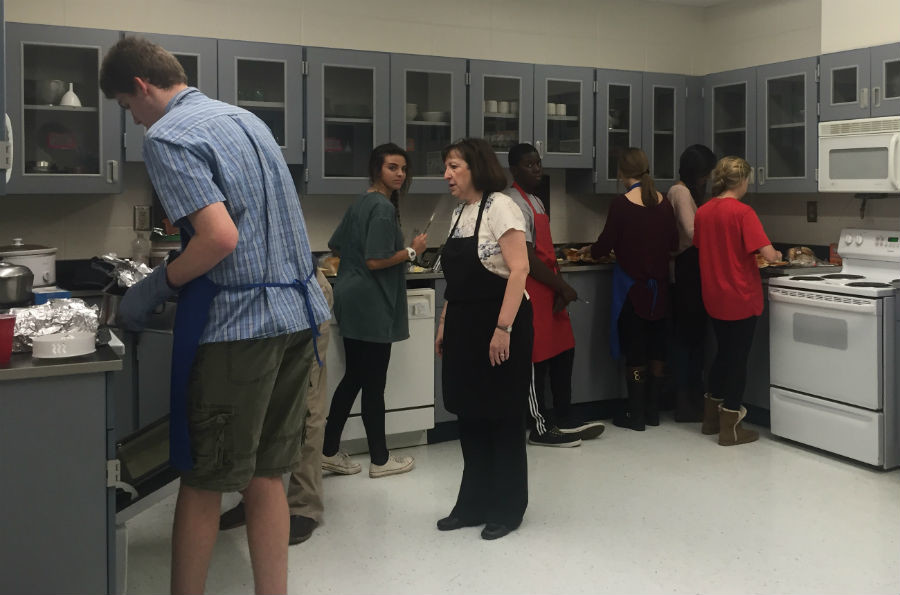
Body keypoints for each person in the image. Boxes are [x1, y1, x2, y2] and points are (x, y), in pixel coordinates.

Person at [100, 37, 330, 595]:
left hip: (242, 327)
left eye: (129, 109)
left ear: (141, 87)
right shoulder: (245, 120)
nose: (135, 121)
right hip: (300, 315)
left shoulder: (170, 134)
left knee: (203, 479)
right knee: (266, 473)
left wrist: (157, 284)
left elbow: (219, 238)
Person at [435, 137, 532, 541]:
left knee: (503, 417)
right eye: (446, 167)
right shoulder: (460, 214)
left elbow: (520, 270)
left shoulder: (501, 206)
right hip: (463, 325)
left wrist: (503, 328)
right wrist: (444, 322)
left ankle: (508, 508)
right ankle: (472, 503)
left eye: (454, 166)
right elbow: (455, 280)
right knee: (470, 416)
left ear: (475, 167)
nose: (447, 175)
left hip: (499, 325)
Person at [321, 143, 427, 478]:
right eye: (392, 168)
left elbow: (337, 244)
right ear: (376, 170)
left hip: (351, 297)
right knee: (373, 383)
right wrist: (411, 250)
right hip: (371, 301)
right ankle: (380, 460)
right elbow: (376, 260)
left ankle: (327, 450)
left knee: (354, 377)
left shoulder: (361, 203)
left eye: (403, 169)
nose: (400, 174)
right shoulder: (381, 208)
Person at [218, 263, 334, 545]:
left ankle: (304, 505)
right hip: (257, 298)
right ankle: (254, 498)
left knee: (306, 403)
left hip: (300, 294)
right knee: (255, 405)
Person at [504, 143, 605, 447]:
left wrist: (559, 287)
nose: (536, 169)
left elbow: (547, 254)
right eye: (528, 164)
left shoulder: (536, 200)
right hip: (532, 289)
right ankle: (540, 425)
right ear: (514, 170)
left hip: (550, 289)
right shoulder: (513, 202)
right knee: (537, 360)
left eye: (538, 163)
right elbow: (528, 258)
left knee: (564, 352)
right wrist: (561, 286)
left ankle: (565, 416)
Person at [583, 148, 677, 431]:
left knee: (635, 351)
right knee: (657, 350)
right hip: (660, 291)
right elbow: (673, 243)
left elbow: (604, 245)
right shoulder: (663, 203)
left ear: (621, 173)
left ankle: (635, 415)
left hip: (631, 291)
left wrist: (592, 251)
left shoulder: (621, 204)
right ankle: (652, 412)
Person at [693, 156, 781, 446]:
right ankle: (731, 425)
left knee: (722, 355)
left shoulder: (704, 212)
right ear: (743, 181)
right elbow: (768, 255)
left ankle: (709, 419)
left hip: (714, 296)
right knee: (738, 360)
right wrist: (779, 256)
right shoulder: (743, 213)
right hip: (741, 296)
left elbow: (707, 246)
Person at [668, 145, 717, 422]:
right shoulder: (681, 192)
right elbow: (691, 232)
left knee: (694, 337)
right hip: (687, 269)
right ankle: (684, 400)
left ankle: (693, 398)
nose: (707, 179)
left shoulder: (684, 191)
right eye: (706, 173)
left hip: (692, 267)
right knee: (687, 338)